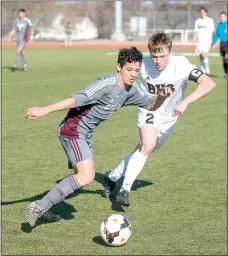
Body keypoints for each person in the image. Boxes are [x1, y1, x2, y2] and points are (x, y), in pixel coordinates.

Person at [25, 47, 172, 227]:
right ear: (119, 67)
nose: (133, 74)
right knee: (87, 176)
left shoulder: (130, 91)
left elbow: (151, 106)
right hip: (73, 131)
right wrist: (44, 110)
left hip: (85, 133)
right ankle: (38, 207)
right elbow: (76, 99)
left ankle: (46, 207)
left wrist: (162, 97)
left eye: (136, 70)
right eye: (129, 69)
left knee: (81, 180)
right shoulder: (106, 84)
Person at [101, 33, 216, 207]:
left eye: (162, 56)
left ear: (170, 52)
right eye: (154, 56)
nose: (158, 61)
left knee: (144, 149)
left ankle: (112, 177)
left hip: (170, 116)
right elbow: (123, 78)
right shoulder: (143, 66)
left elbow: (208, 83)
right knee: (147, 145)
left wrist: (185, 102)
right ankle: (124, 190)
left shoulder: (181, 65)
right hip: (149, 109)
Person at [193, 6, 215, 74]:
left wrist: (212, 41)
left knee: (204, 55)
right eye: (201, 12)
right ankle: (202, 70)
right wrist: (194, 39)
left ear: (206, 13)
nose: (202, 13)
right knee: (201, 55)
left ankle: (207, 70)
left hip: (207, 40)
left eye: (203, 12)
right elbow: (196, 31)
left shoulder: (210, 20)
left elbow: (212, 31)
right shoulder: (197, 21)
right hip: (200, 41)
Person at [212, 12, 228, 78]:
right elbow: (216, 35)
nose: (222, 18)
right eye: (221, 17)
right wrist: (214, 43)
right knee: (224, 59)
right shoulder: (219, 25)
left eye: (223, 16)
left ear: (226, 17)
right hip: (222, 44)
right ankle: (226, 73)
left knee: (227, 57)